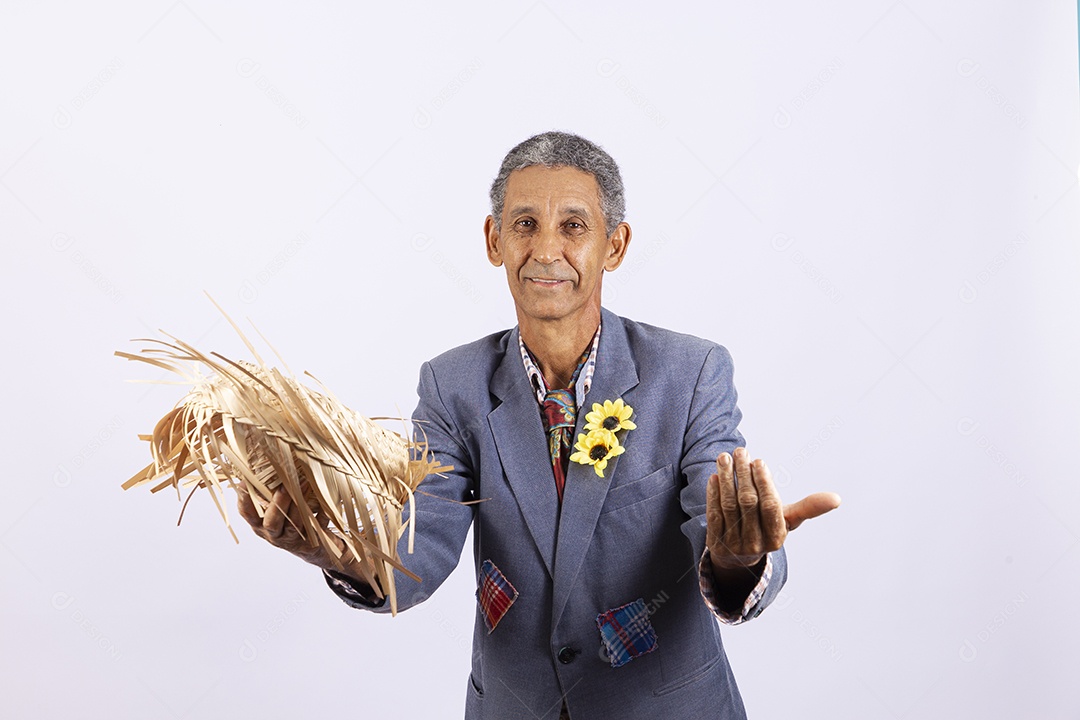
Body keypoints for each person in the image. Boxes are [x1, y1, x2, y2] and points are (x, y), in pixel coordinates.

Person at [237, 131, 841, 719]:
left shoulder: (691, 373)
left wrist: (739, 557)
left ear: (615, 245)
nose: (546, 250)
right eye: (525, 224)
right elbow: (422, 542)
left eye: (573, 226)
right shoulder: (452, 385)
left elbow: (718, 522)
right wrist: (341, 552)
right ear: (494, 239)